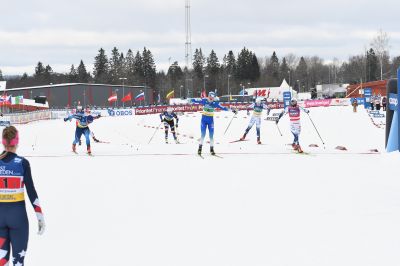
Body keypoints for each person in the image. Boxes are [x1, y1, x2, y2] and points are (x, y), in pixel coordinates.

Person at [0, 126, 45, 266]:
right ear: (16, 142)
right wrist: (40, 217)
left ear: (3, 142)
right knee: (18, 262)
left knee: (2, 261)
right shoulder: (22, 163)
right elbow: (31, 192)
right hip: (18, 219)